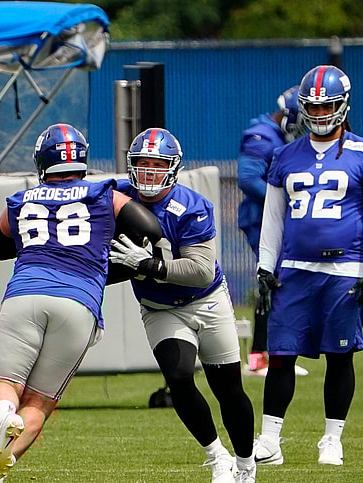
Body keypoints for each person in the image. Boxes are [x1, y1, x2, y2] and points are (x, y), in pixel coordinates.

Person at [0, 123, 161, 483]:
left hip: (26, 295)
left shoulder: (23, 199)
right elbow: (150, 227)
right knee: (41, 403)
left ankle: (3, 414)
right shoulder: (105, 195)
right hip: (79, 303)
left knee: (2, 383)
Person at [253, 65, 363, 467]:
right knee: (280, 355)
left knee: (340, 355)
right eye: (311, 106)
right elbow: (273, 217)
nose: (318, 113)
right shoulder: (284, 155)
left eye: (326, 105)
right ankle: (269, 440)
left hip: (345, 268)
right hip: (294, 268)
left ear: (343, 104)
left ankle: (332, 438)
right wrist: (265, 266)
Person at [109, 128, 257, 483]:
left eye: (156, 164)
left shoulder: (191, 206)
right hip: (160, 308)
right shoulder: (115, 197)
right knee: (177, 377)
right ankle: (216, 456)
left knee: (228, 390)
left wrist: (149, 266)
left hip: (205, 301)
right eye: (141, 163)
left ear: (173, 168)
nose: (147, 171)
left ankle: (246, 463)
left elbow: (201, 271)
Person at [236, 86, 309, 378]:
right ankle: (261, 358)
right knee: (273, 281)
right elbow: (248, 179)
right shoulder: (262, 136)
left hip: (277, 220)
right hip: (262, 220)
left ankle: (268, 356)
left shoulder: (277, 135)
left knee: (280, 283)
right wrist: (288, 199)